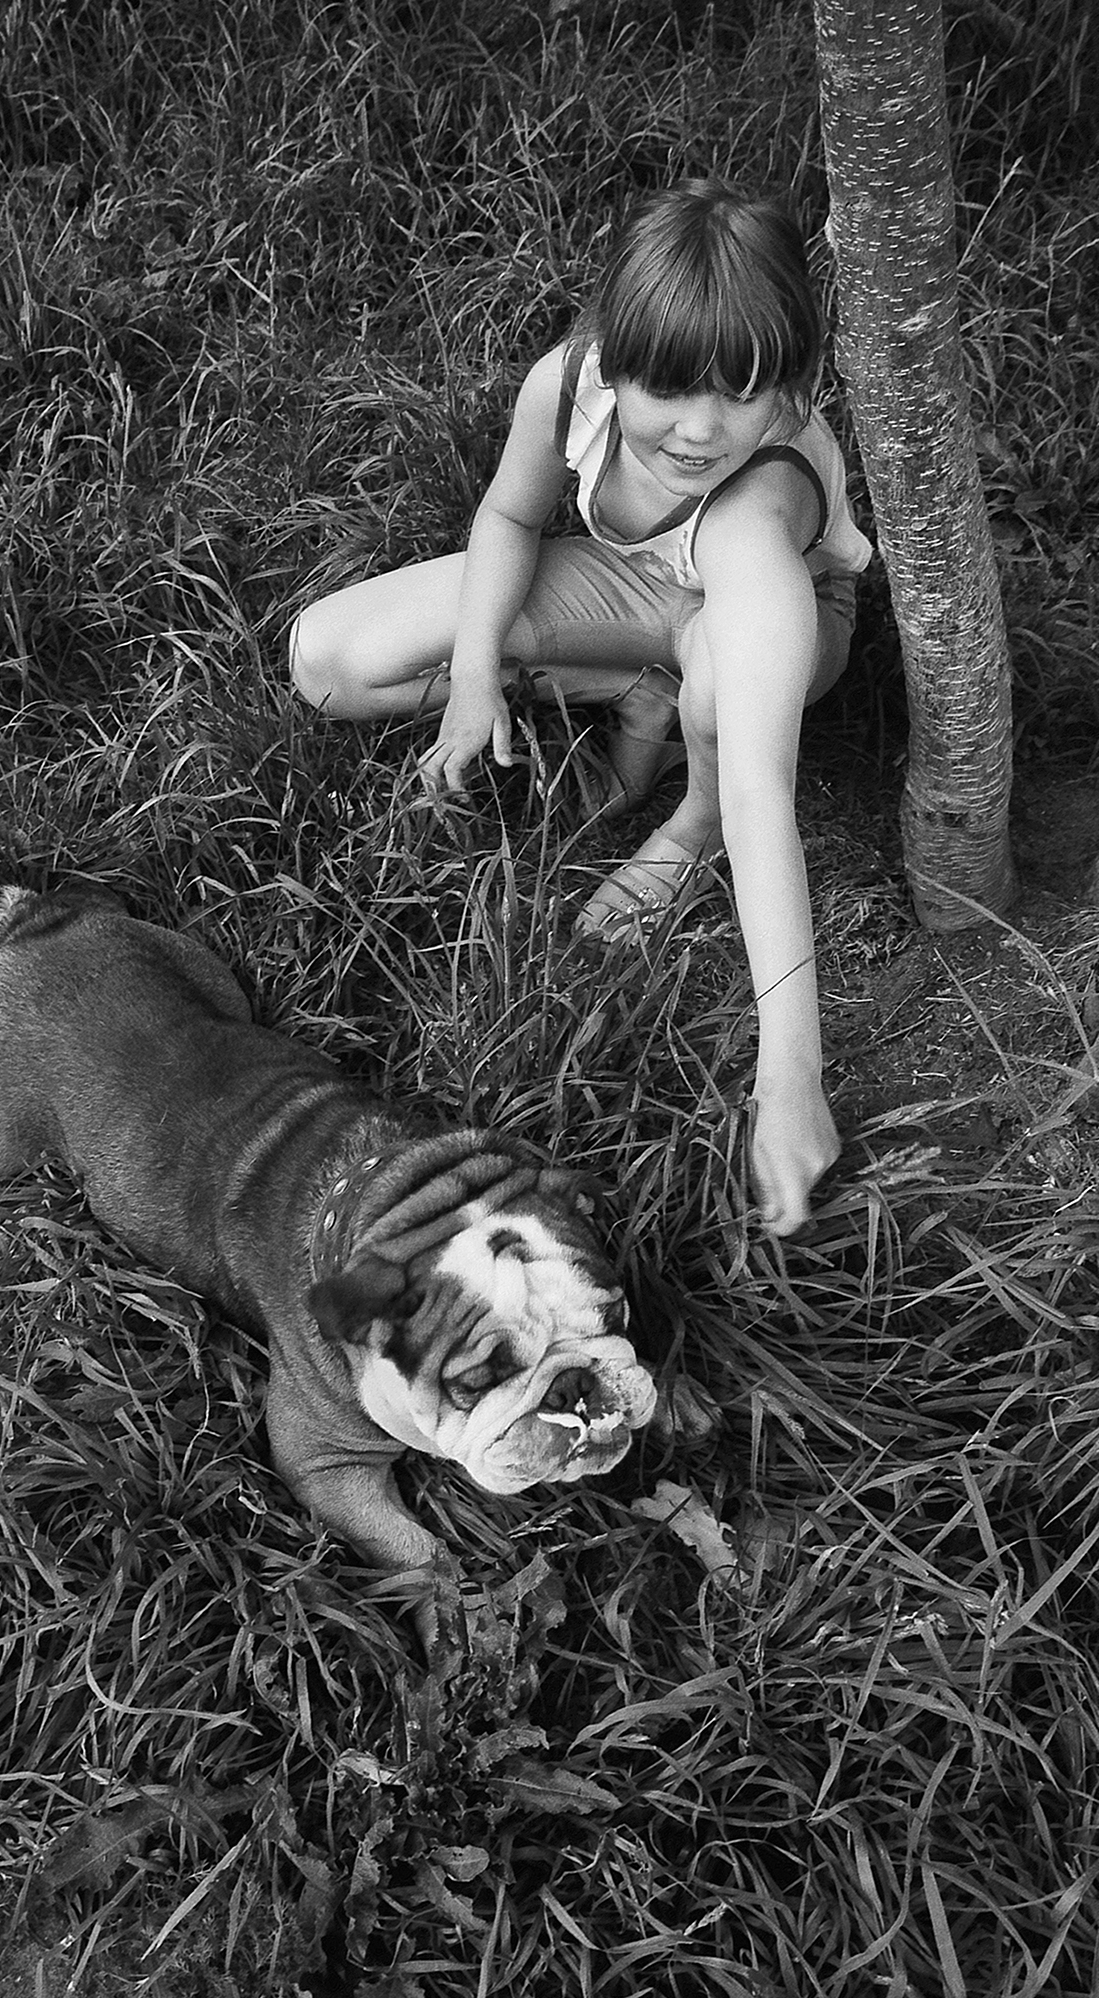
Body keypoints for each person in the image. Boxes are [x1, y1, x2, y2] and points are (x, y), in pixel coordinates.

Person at [289, 179, 872, 1236]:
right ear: (612, 359)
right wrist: (475, 674)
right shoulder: (568, 380)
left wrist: (791, 1075)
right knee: (329, 661)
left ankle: (683, 824)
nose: (701, 429)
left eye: (743, 393)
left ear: (790, 386)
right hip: (636, 585)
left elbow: (765, 793)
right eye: (670, 389)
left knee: (721, 694)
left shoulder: (758, 508)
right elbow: (510, 515)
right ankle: (639, 691)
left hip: (757, 617)